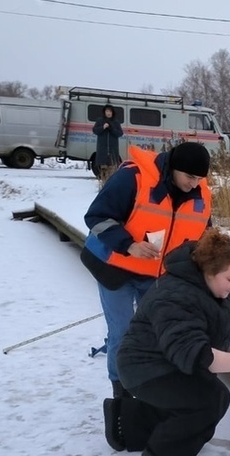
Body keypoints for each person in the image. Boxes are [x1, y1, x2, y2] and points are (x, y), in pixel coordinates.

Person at [105, 228, 230, 456]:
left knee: (200, 395)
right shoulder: (176, 298)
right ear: (208, 273)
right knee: (209, 399)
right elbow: (195, 354)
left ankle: (129, 423)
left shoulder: (206, 282)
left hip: (168, 361)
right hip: (145, 368)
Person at [80, 142, 213, 410]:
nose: (194, 184)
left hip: (156, 276)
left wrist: (229, 278)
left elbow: (205, 240)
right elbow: (97, 216)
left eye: (200, 178)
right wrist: (129, 244)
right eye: (189, 177)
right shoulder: (133, 177)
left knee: (155, 331)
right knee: (122, 332)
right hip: (114, 268)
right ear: (174, 169)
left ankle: (150, 384)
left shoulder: (200, 194)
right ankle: (122, 393)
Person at [92, 104, 123, 177]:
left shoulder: (116, 122)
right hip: (102, 150)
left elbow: (120, 133)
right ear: (104, 112)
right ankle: (103, 182)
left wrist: (112, 129)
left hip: (113, 150)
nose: (108, 113)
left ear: (112, 113)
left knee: (112, 169)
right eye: (107, 111)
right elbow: (95, 131)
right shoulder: (100, 120)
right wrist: (102, 127)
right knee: (103, 169)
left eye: (110, 111)